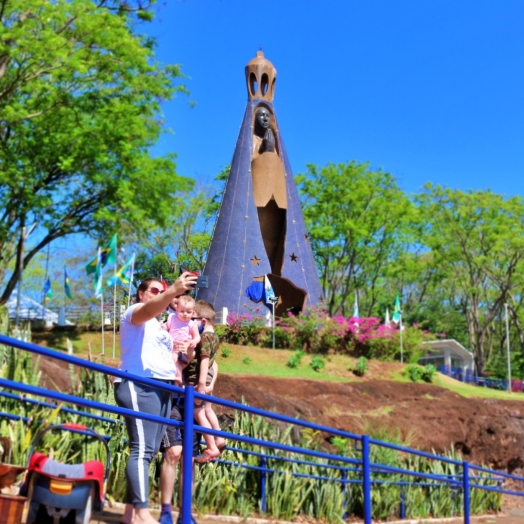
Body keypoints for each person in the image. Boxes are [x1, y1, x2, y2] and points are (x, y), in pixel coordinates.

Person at [114, 273, 197, 524]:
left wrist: (188, 351)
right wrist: (172, 290)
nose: (158, 293)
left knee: (148, 452)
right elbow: (149, 309)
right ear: (141, 293)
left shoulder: (162, 327)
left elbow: (181, 360)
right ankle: (142, 513)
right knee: (142, 450)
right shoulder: (135, 312)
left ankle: (130, 514)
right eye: (153, 290)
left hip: (164, 387)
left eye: (160, 290)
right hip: (139, 384)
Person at [158, 361, 218, 524]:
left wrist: (210, 384)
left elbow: (213, 363)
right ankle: (166, 510)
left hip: (194, 406)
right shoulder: (179, 338)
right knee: (173, 453)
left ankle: (185, 512)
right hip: (174, 402)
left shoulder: (202, 343)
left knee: (189, 459)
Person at [186, 300, 226, 464]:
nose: (190, 323)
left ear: (202, 321)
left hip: (201, 378)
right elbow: (214, 361)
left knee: (198, 412)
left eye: (193, 319)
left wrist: (201, 384)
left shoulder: (203, 338)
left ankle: (211, 446)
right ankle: (219, 438)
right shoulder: (215, 336)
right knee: (208, 409)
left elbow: (204, 359)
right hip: (209, 376)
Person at [166, 295, 200, 385]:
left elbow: (197, 336)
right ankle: (176, 376)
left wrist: (194, 341)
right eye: (182, 311)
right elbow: (167, 326)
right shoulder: (172, 318)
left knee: (175, 358)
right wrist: (163, 326)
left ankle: (178, 377)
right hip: (172, 345)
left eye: (188, 312)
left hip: (184, 347)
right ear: (176, 310)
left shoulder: (191, 324)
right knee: (173, 360)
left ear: (193, 313)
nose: (185, 314)